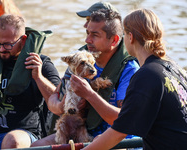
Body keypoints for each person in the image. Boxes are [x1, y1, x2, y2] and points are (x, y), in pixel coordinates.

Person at [69, 8, 187, 150]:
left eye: (124, 34)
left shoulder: (146, 75)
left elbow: (120, 131)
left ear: (130, 37)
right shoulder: (175, 68)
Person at [31, 8, 140, 147]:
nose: (87, 40)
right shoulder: (81, 59)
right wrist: (61, 106)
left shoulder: (129, 69)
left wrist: (88, 95)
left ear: (114, 40)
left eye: (95, 35)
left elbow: (124, 119)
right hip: (83, 130)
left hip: (116, 136)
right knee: (36, 147)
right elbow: (54, 98)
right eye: (87, 33)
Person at [0, 14, 60, 149]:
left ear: (23, 40)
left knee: (12, 140)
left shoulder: (41, 64)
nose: (2, 49)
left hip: (24, 135)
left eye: (8, 45)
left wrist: (38, 77)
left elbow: (59, 103)